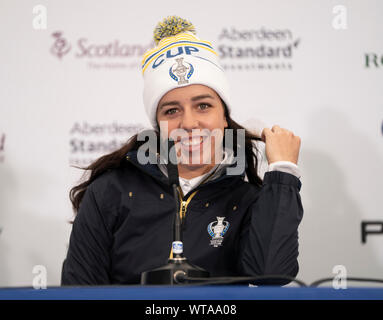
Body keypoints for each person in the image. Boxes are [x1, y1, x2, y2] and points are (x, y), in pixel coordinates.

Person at [61, 16, 303, 286]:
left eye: (203, 106)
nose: (188, 123)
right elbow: (78, 290)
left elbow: (271, 274)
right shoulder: (112, 191)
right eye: (172, 110)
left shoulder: (246, 199)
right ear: (158, 125)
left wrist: (283, 170)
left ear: (224, 117)